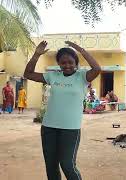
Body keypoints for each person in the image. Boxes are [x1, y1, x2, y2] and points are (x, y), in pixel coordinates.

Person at [24, 40, 101, 180]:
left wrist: (81, 50)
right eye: (63, 62)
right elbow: (28, 74)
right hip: (49, 127)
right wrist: (36, 55)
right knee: (51, 166)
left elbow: (97, 69)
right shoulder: (53, 76)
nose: (67, 65)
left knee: (67, 164)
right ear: (58, 63)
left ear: (76, 63)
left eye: (71, 62)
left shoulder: (82, 77)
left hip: (70, 129)